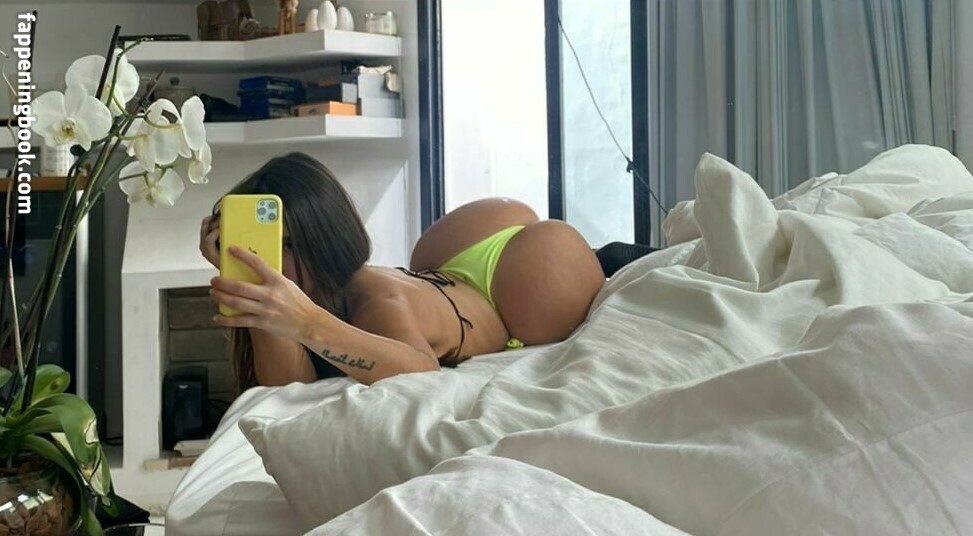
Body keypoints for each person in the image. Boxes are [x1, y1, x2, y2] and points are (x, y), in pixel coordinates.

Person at [199, 152, 607, 391]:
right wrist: (251, 292)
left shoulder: (373, 297)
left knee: (599, 267)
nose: (266, 258)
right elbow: (289, 391)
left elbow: (421, 371)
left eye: (283, 245)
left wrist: (305, 322)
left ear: (320, 243)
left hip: (518, 287)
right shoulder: (315, 293)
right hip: (443, 264)